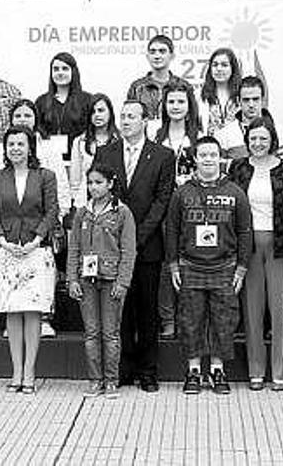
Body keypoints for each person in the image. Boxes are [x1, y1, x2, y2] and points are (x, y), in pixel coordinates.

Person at [94, 100, 175, 393]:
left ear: (146, 121)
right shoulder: (106, 152)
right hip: (111, 247)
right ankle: (124, 368)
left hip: (147, 245)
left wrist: (137, 237)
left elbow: (162, 200)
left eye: (132, 117)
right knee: (120, 309)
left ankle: (148, 371)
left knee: (147, 310)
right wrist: (117, 239)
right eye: (123, 116)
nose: (126, 121)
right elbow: (99, 195)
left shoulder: (164, 155)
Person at [167, 136, 252, 395]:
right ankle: (193, 371)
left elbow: (245, 231)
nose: (208, 159)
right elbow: (171, 229)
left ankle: (217, 371)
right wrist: (173, 265)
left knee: (223, 321)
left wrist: (242, 268)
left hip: (225, 266)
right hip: (190, 265)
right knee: (191, 320)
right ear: (195, 158)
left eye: (213, 154)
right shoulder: (182, 193)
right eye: (203, 154)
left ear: (220, 158)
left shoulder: (235, 191)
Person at [0, 126, 59, 394]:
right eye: (11, 144)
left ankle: (30, 371)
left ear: (30, 147)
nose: (15, 148)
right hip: (7, 252)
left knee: (33, 312)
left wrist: (37, 239)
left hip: (36, 250)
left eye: (21, 143)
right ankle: (16, 370)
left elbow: (52, 211)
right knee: (12, 312)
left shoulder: (45, 176)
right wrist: (2, 241)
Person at [229, 117, 283, 391]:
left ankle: (279, 373)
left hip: (281, 245)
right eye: (253, 138)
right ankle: (256, 372)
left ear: (272, 140)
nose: (258, 143)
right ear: (247, 141)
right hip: (247, 246)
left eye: (263, 138)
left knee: (279, 311)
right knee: (252, 310)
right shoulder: (238, 168)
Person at [0, 99, 70, 338]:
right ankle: (12, 319)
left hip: (39, 234)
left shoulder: (48, 153)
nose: (23, 119)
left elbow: (59, 194)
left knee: (41, 281)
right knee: (12, 284)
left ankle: (44, 317)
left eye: (27, 115)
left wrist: (49, 227)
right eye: (18, 115)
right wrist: (2, 239)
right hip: (8, 236)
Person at [67, 163, 136, 399]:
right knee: (91, 333)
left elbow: (129, 250)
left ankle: (112, 380)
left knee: (111, 333)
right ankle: (95, 379)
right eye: (90, 183)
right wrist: (72, 279)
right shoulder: (82, 213)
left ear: (110, 184)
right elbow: (74, 247)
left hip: (111, 279)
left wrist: (122, 282)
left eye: (98, 182)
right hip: (86, 280)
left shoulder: (122, 212)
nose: (93, 187)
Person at [154, 81, 204, 338]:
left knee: (189, 263)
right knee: (165, 265)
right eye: (171, 101)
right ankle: (168, 319)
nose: (175, 106)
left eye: (180, 102)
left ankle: (188, 318)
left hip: (191, 209)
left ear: (189, 106)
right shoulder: (155, 134)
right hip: (162, 210)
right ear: (164, 105)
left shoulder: (198, 136)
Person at [34, 52, 92, 162]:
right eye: (56, 69)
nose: (60, 73)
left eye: (65, 69)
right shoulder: (41, 101)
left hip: (80, 159)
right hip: (50, 161)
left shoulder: (87, 100)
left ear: (73, 72)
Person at [69, 94, 120, 208]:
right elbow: (75, 179)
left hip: (115, 202)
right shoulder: (80, 142)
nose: (97, 115)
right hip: (85, 201)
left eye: (101, 110)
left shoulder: (120, 139)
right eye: (93, 112)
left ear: (110, 112)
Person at [126, 35, 186, 120]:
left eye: (162, 51)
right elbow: (130, 119)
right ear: (147, 56)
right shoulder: (137, 87)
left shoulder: (183, 86)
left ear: (172, 56)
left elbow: (191, 119)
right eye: (152, 52)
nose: (157, 56)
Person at [199, 48, 242, 137]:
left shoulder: (241, 93)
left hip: (237, 146)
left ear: (233, 68)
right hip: (209, 147)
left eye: (224, 65)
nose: (219, 69)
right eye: (215, 65)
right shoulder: (200, 95)